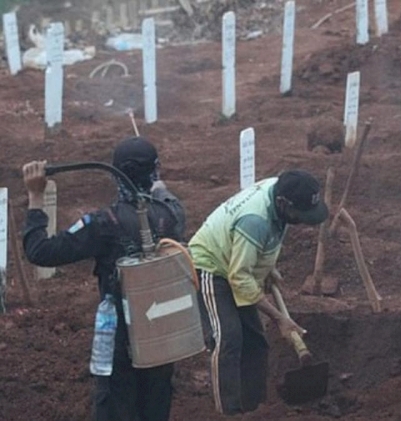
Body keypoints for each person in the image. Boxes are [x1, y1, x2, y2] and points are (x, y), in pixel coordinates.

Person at [22, 137, 186, 421]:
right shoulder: (172, 215)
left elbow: (40, 251)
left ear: (114, 174)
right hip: (163, 339)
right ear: (156, 170)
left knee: (115, 406)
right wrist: (159, 187)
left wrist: (36, 197)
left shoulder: (103, 223)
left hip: (120, 346)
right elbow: (164, 196)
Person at [189, 169, 328, 415]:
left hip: (237, 260)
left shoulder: (279, 190)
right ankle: (228, 413)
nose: (303, 220)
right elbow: (239, 276)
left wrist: (267, 267)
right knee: (228, 338)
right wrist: (279, 318)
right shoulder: (255, 220)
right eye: (301, 214)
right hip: (210, 266)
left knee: (256, 342)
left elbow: (268, 237)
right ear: (283, 203)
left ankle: (255, 409)